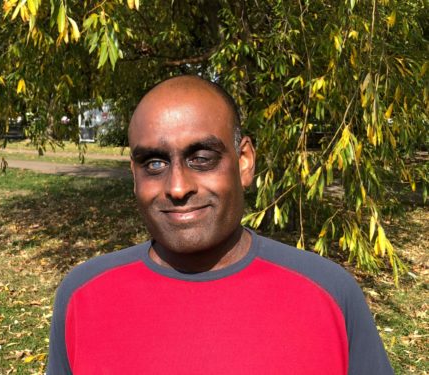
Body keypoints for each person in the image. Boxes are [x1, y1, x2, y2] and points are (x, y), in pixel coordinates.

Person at [47, 76, 393, 374]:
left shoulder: (329, 294)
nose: (178, 187)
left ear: (244, 162)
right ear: (134, 176)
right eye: (154, 163)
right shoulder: (82, 297)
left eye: (201, 159)